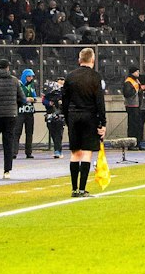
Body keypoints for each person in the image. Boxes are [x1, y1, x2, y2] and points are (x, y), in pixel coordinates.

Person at [65, 49, 107, 198]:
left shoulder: (70, 77)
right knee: (87, 152)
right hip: (89, 116)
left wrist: (67, 118)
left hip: (73, 116)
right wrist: (103, 122)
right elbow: (99, 102)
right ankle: (82, 189)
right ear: (93, 60)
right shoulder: (96, 77)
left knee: (75, 153)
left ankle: (74, 189)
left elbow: (65, 100)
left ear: (79, 60)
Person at [19, 68, 40, 160]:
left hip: (29, 112)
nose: (30, 78)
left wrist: (33, 99)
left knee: (29, 133)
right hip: (20, 111)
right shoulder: (19, 85)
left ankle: (29, 152)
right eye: (29, 76)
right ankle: (14, 152)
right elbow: (17, 96)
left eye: (31, 76)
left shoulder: (31, 85)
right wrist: (25, 99)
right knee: (17, 132)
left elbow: (34, 96)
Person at [122, 68, 145, 151]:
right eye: (137, 71)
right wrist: (137, 90)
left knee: (138, 126)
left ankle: (137, 143)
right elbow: (127, 93)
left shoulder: (136, 80)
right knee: (133, 126)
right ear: (133, 72)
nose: (138, 73)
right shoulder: (129, 81)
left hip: (137, 105)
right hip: (132, 106)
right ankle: (131, 144)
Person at [44, 79, 66, 160]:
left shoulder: (65, 93)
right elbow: (44, 100)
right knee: (53, 133)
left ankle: (58, 150)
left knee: (59, 134)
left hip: (60, 116)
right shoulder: (49, 93)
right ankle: (57, 149)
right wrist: (49, 103)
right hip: (50, 115)